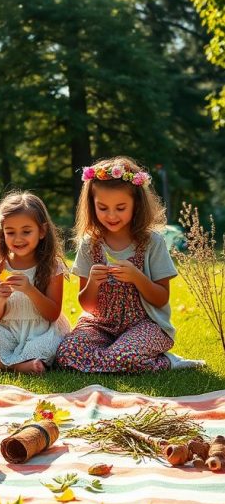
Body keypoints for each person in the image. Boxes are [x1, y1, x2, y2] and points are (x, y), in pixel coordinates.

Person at [55, 157, 177, 373]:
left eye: (120, 208)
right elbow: (87, 306)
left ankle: (166, 361)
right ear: (92, 206)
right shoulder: (90, 244)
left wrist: (137, 277)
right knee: (66, 353)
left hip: (146, 325)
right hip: (100, 325)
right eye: (102, 208)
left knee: (123, 355)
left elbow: (161, 298)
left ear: (136, 205)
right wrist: (92, 282)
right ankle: (116, 357)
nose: (111, 215)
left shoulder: (152, 243)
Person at [0, 191, 69, 374]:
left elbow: (52, 314)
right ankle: (14, 366)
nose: (18, 239)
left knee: (45, 347)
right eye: (10, 232)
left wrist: (30, 290)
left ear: (42, 231)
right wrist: (1, 300)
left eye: (26, 232)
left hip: (41, 332)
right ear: (2, 233)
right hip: (9, 332)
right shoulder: (0, 267)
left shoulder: (52, 266)